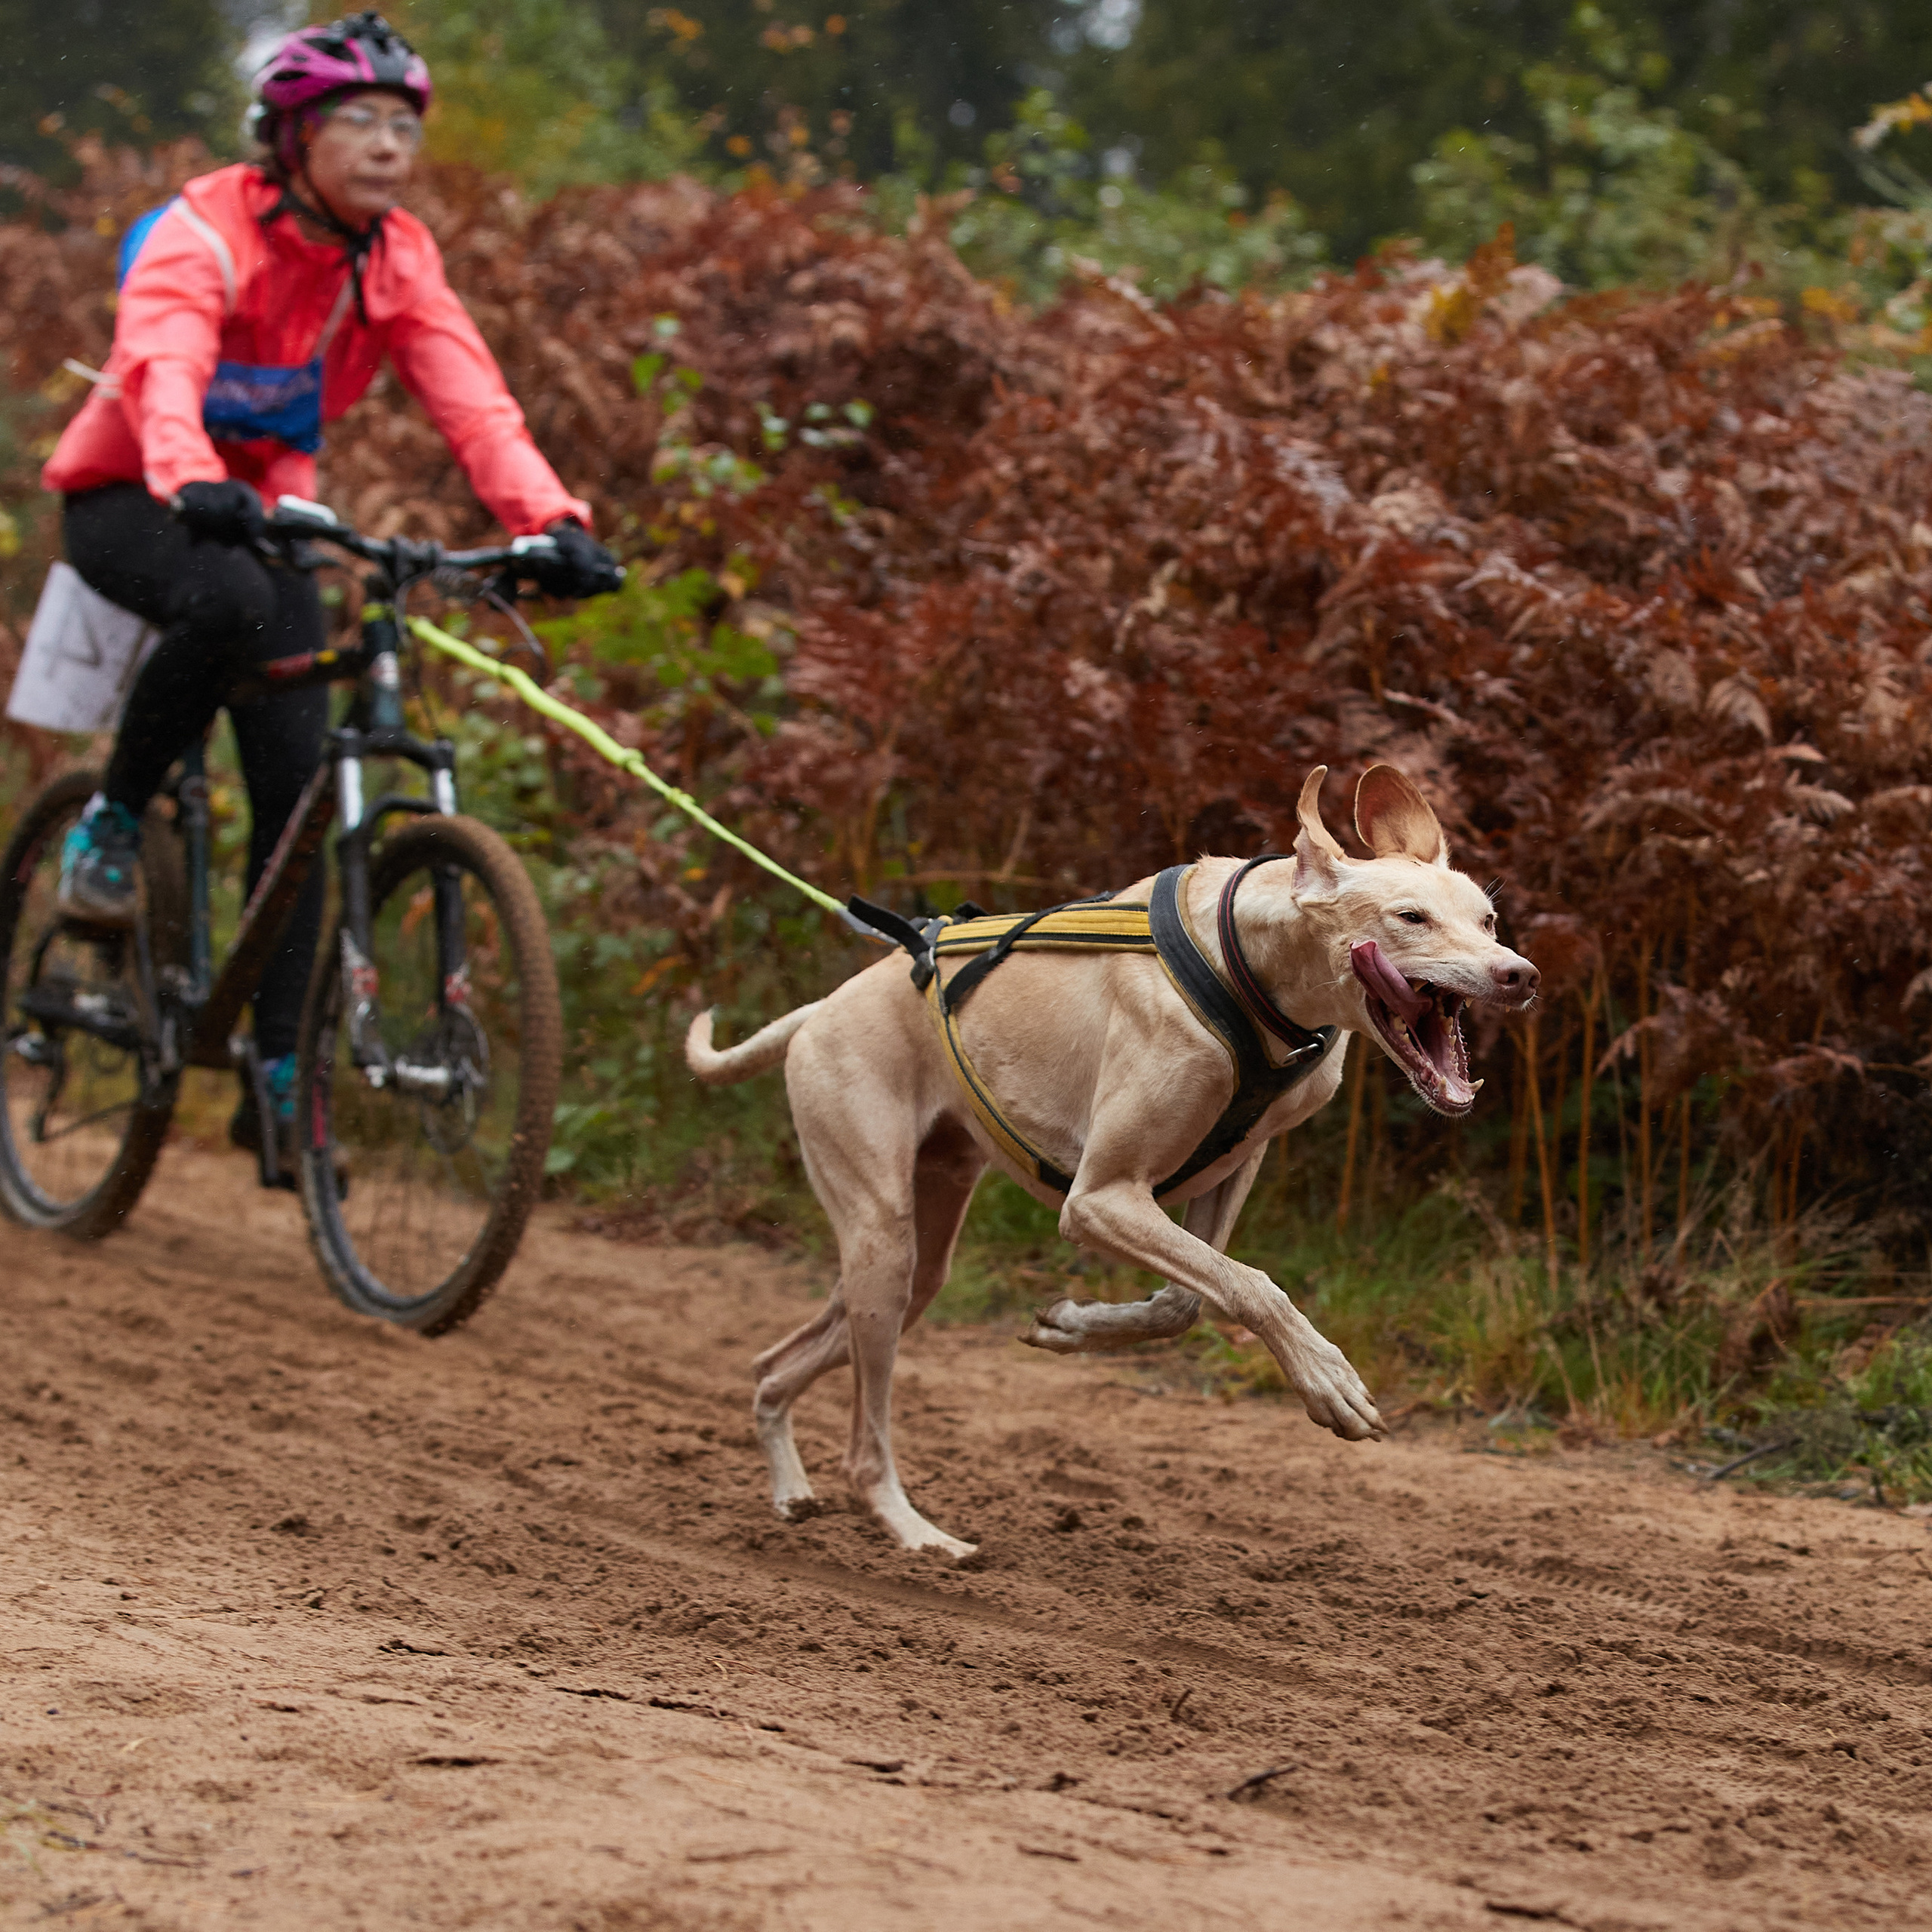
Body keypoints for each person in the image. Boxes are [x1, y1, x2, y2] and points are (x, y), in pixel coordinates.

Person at [40, 10, 620, 1168]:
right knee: (224, 604)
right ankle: (111, 823)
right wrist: (193, 476)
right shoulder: (204, 231)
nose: (387, 143)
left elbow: (471, 396)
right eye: (358, 118)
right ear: (292, 134)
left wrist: (550, 522)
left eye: (404, 123)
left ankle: (279, 1073)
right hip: (131, 494)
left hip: (265, 512)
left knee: (301, 796)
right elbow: (163, 365)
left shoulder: (395, 255)